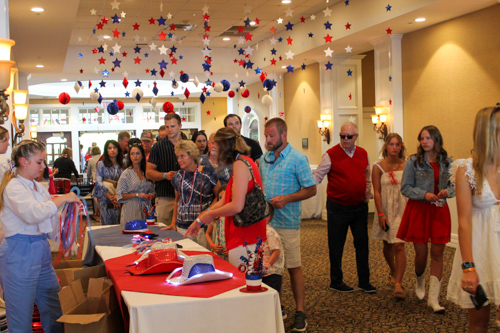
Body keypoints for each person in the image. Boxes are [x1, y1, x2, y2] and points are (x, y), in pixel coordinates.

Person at [0, 140, 80, 332]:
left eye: (44, 162)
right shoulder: (13, 187)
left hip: (40, 250)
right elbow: (33, 214)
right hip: (19, 252)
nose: (44, 167)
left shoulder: (37, 188)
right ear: (24, 162)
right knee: (20, 315)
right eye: (40, 162)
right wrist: (63, 198)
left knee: (54, 307)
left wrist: (67, 237)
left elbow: (49, 220)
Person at [259, 117, 316, 332]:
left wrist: (286, 199)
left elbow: (311, 189)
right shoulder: (263, 159)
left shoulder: (297, 159)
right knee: (271, 269)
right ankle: (277, 306)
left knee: (293, 267)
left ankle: (300, 311)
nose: (267, 140)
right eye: (266, 136)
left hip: (288, 222)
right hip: (266, 224)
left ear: (283, 135)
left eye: (271, 135)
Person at [446, 106, 500, 331]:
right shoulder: (465, 168)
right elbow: (465, 221)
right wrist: (468, 267)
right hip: (480, 249)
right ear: (490, 132)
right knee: (479, 323)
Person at [186, 127, 267, 267]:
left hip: (246, 237)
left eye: (216, 146)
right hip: (244, 236)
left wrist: (211, 214)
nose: (214, 150)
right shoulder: (241, 162)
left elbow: (236, 206)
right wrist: (200, 220)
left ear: (225, 147)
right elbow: (224, 200)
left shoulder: (240, 164)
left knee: (245, 284)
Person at [313, 121, 376, 294]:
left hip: (359, 207)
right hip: (337, 208)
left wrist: (367, 194)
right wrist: (302, 182)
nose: (345, 139)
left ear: (356, 137)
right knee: (336, 245)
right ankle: (336, 281)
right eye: (342, 136)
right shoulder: (330, 154)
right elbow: (317, 176)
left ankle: (364, 281)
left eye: (349, 136)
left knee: (362, 245)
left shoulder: (363, 153)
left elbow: (367, 175)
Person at [397, 125, 455, 313]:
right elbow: (405, 188)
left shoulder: (448, 162)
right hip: (419, 211)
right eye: (422, 138)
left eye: (428, 138)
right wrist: (425, 194)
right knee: (421, 255)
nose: (424, 142)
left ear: (437, 140)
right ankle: (419, 281)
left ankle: (434, 299)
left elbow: (455, 185)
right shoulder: (413, 162)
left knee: (438, 255)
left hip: (439, 211)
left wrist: (448, 191)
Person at [371, 133, 408, 299]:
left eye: (397, 144)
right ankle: (393, 270)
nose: (394, 147)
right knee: (387, 244)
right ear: (386, 146)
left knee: (399, 245)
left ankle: (398, 283)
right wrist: (380, 213)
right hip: (385, 209)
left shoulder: (407, 165)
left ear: (401, 147)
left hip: (402, 208)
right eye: (391, 144)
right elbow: (377, 192)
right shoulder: (378, 167)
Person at [162, 141, 218, 248]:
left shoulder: (208, 173)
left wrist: (207, 212)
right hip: (182, 228)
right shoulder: (177, 176)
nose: (179, 160)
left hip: (203, 227)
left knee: (203, 259)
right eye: (178, 156)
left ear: (192, 155)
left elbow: (218, 197)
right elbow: (176, 200)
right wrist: (173, 223)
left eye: (182, 156)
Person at [146, 113, 181, 225]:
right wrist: (165, 175)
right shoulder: (158, 147)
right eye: (167, 127)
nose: (169, 130)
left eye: (172, 126)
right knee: (164, 232)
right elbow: (149, 173)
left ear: (180, 126)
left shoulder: (188, 144)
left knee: (184, 232)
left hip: (185, 197)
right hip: (165, 196)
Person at [117, 139, 154, 224]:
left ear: (142, 155)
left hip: (146, 209)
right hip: (131, 208)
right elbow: (120, 195)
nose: (135, 156)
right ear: (129, 156)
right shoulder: (126, 173)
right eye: (132, 154)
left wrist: (150, 195)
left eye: (137, 153)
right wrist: (136, 194)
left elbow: (153, 189)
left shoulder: (147, 172)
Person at [261, 204, 286, 319]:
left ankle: (277, 317)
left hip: (272, 272)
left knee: (272, 296)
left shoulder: (269, 232)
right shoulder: (260, 230)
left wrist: (267, 266)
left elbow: (276, 251)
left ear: (267, 217)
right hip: (264, 271)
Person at [94, 140, 124, 225]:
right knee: (107, 226)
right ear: (106, 150)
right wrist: (110, 197)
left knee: (119, 224)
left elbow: (124, 182)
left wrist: (117, 197)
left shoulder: (123, 165)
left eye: (114, 147)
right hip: (105, 198)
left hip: (119, 198)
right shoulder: (101, 164)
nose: (112, 150)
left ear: (118, 150)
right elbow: (98, 181)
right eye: (110, 148)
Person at [205, 185, 228, 260]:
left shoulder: (233, 217)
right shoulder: (216, 216)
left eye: (225, 198)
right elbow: (207, 233)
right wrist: (212, 245)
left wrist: (232, 249)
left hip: (230, 256)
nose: (222, 201)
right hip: (217, 255)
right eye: (220, 198)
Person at [86, 146, 102, 222]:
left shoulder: (91, 160)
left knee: (96, 198)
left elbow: (88, 171)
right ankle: (98, 213)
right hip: (103, 180)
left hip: (95, 180)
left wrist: (88, 178)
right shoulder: (102, 158)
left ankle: (97, 214)